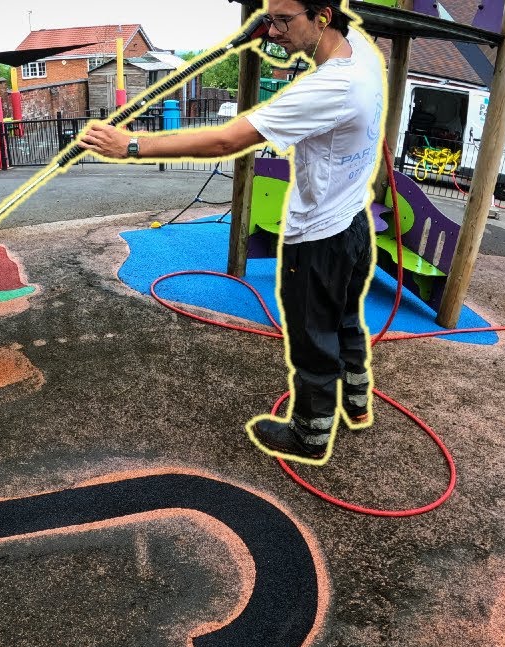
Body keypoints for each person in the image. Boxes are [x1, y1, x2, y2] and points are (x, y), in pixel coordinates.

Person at [78, 0, 386, 465]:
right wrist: (275, 30)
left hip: (321, 236)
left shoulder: (331, 87)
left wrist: (133, 145)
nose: (272, 30)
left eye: (283, 20)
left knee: (312, 338)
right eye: (268, 19)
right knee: (344, 319)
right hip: (354, 222)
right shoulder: (360, 52)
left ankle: (310, 434)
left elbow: (228, 140)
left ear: (322, 16)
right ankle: (358, 405)